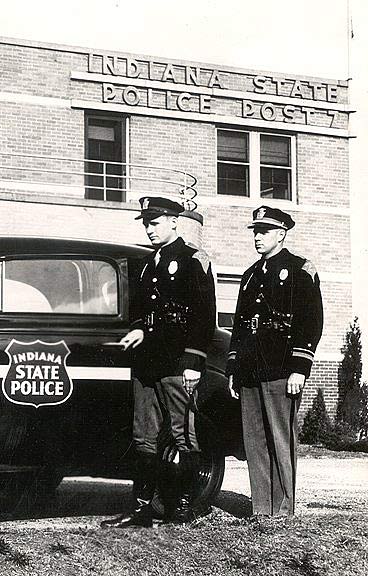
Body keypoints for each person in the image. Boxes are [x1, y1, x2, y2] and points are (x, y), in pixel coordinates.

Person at [102, 196, 216, 527]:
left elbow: (204, 315)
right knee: (143, 435)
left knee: (183, 434)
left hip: (178, 361)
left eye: (154, 223)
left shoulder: (194, 259)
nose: (149, 229)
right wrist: (138, 329)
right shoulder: (150, 263)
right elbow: (140, 309)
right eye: (146, 224)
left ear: (173, 222)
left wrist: (194, 361)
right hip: (148, 362)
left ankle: (182, 507)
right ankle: (145, 508)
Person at [226, 206, 323, 517]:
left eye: (264, 231)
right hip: (251, 369)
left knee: (281, 439)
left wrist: (300, 367)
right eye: (255, 231)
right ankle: (261, 510)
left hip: (282, 367)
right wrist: (233, 368)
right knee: (255, 441)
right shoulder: (250, 275)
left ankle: (282, 512)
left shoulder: (299, 270)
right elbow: (239, 326)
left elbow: (311, 322)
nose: (257, 236)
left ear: (281, 234)